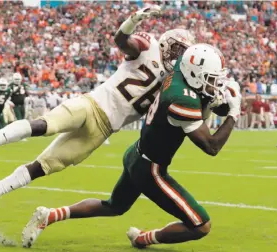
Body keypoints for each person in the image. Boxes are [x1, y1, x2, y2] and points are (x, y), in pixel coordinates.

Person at [0, 6, 196, 222]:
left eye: (182, 53)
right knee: (43, 125)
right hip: (91, 105)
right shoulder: (148, 47)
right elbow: (121, 40)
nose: (178, 57)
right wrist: (132, 21)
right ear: (166, 44)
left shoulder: (176, 82)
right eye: (176, 49)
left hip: (103, 131)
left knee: (42, 167)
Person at [21, 44, 241, 248]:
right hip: (151, 170)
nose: (214, 84)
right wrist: (233, 113)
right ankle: (142, 238)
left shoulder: (178, 72)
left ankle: (49, 215)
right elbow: (211, 146)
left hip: (136, 154)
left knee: (114, 206)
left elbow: (203, 97)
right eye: (210, 79)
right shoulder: (182, 100)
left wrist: (216, 99)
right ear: (193, 74)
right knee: (201, 225)